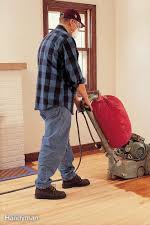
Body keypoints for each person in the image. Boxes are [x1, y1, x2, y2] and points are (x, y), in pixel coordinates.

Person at [34, 9, 92, 200]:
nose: (77, 30)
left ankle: (68, 175)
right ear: (73, 23)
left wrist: (75, 100)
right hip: (57, 101)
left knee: (61, 138)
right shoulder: (66, 40)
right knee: (54, 142)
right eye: (78, 26)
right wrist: (86, 99)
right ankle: (42, 185)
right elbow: (75, 76)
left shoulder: (48, 38)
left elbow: (60, 75)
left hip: (46, 99)